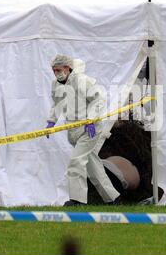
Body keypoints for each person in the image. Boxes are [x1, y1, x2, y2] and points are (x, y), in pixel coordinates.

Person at [46, 54, 121, 206]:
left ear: (68, 68)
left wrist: (91, 119)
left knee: (76, 162)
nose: (56, 73)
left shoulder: (83, 81)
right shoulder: (56, 84)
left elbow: (99, 99)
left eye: (58, 70)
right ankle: (113, 198)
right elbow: (57, 104)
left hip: (89, 130)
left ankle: (77, 200)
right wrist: (51, 122)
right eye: (54, 70)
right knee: (93, 166)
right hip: (73, 131)